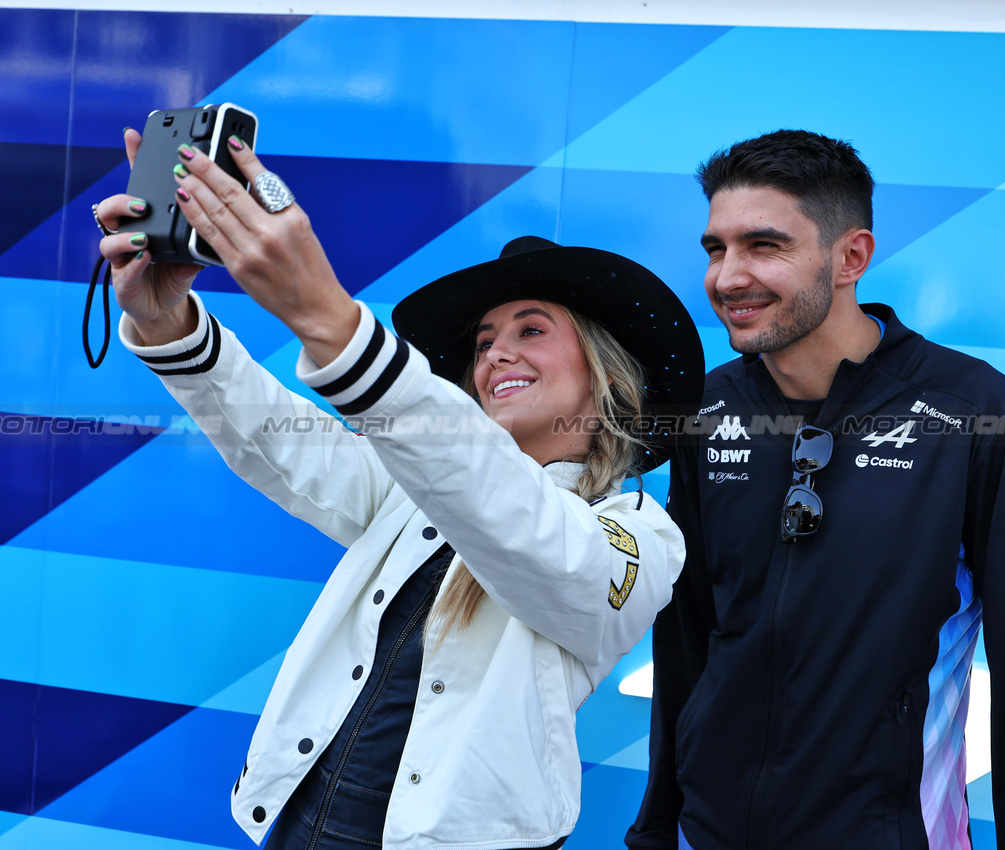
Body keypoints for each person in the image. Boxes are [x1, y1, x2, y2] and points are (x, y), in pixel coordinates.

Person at [93, 132, 703, 849]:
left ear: (601, 370)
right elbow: (278, 438)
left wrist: (328, 317)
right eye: (481, 344)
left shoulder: (637, 532)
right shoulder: (418, 483)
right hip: (298, 826)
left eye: (530, 330)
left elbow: (528, 530)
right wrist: (169, 325)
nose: (496, 352)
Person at [626, 130, 1005, 850]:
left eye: (763, 246)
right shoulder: (705, 408)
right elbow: (686, 642)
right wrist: (659, 828)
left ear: (851, 257)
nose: (726, 277)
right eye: (715, 249)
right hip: (710, 834)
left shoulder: (971, 408)